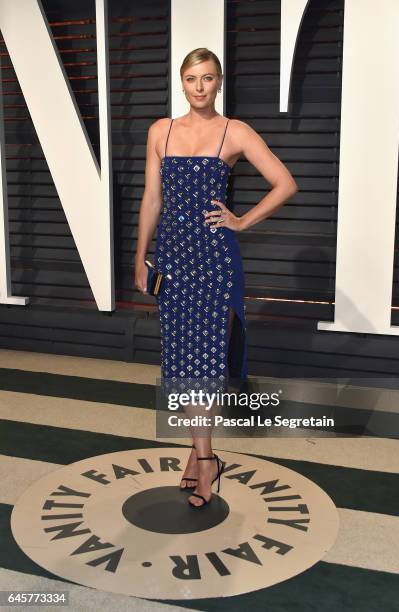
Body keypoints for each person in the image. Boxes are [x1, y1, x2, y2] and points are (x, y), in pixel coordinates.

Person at [135, 48, 298, 508]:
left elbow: (285, 183)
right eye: (191, 78)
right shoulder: (160, 131)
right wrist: (139, 257)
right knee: (180, 362)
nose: (199, 87)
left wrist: (242, 221)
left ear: (219, 82)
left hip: (214, 260)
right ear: (181, 82)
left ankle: (205, 460)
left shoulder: (235, 131)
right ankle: (200, 453)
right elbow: (152, 198)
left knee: (205, 362)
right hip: (171, 258)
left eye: (207, 78)